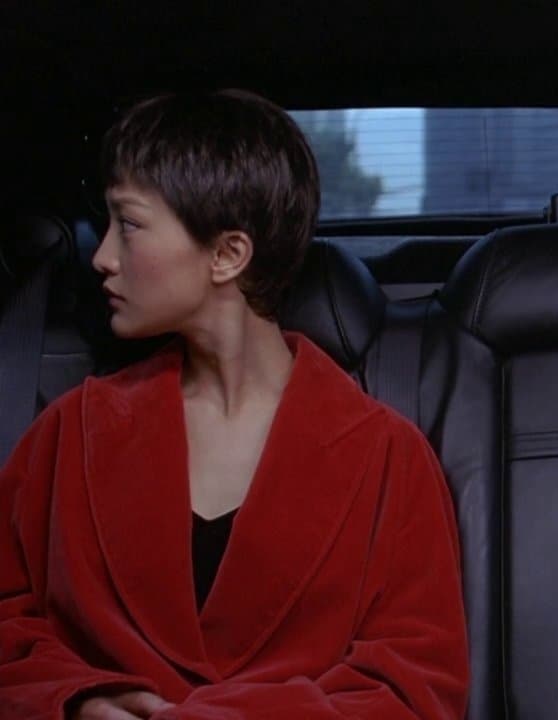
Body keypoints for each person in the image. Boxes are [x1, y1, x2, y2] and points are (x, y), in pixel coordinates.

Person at [0, 90, 468, 719]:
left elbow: (415, 688)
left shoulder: (390, 458)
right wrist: (79, 702)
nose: (102, 257)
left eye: (128, 225)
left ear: (227, 255)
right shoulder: (69, 432)